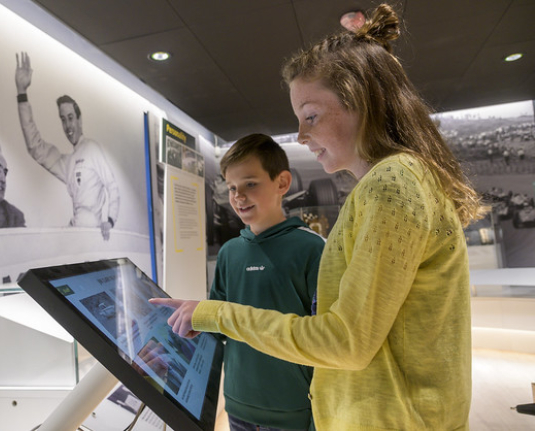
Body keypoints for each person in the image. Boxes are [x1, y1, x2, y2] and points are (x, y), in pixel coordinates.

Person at [150, 4, 488, 430]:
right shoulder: (393, 182)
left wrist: (214, 313)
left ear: (362, 101)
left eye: (311, 116)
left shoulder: (393, 185)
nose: (303, 136)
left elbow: (345, 340)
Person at [210, 134, 325, 431]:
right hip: (237, 406)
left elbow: (328, 337)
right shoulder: (228, 253)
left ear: (282, 183)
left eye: (250, 183)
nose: (238, 196)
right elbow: (217, 325)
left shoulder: (312, 249)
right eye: (232, 187)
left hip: (294, 411)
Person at [14, 52, 120, 240]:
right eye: (63, 120)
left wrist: (110, 221)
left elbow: (112, 187)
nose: (67, 126)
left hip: (94, 234)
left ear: (79, 119)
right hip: (77, 232)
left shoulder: (92, 149)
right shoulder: (68, 163)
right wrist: (22, 94)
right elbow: (36, 147)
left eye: (70, 118)